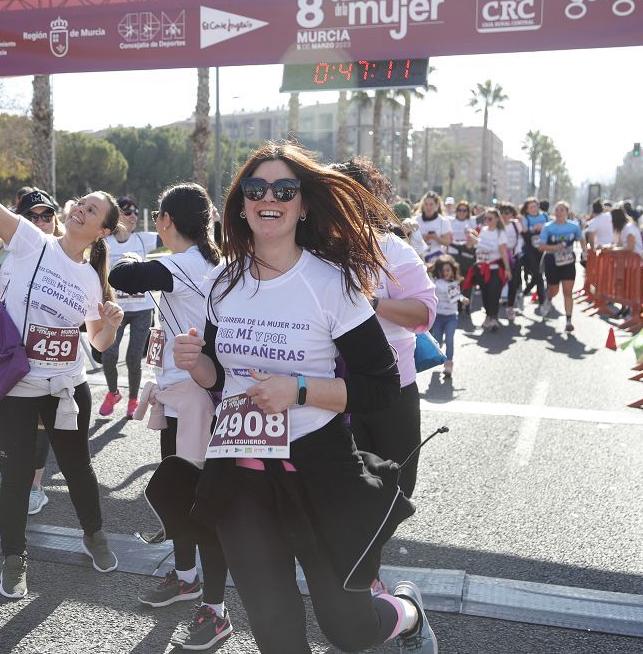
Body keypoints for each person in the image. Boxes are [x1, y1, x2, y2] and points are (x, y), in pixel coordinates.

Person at [167, 143, 436, 654]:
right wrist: (196, 363)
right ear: (241, 204)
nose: (269, 198)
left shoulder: (333, 283)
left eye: (284, 189)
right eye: (256, 189)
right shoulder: (220, 283)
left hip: (319, 474)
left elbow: (379, 386)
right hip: (240, 477)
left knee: (350, 631)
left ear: (302, 205)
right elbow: (219, 378)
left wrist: (300, 389)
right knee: (276, 635)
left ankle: (407, 611)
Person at [0, 118, 124, 598]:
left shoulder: (91, 280)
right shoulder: (28, 240)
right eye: (81, 204)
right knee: (17, 475)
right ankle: (13, 558)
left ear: (103, 230)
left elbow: (99, 346)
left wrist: (109, 324)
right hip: (15, 385)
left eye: (93, 211)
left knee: (79, 467)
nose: (82, 211)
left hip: (66, 388)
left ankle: (95, 536)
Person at [108, 183, 232, 650]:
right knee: (182, 497)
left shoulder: (184, 264)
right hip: (185, 394)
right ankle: (186, 579)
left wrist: (122, 254)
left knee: (197, 503)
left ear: (164, 221)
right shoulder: (212, 261)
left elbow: (125, 277)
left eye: (159, 218)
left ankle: (216, 611)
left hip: (195, 398)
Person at [331, 157, 436, 501]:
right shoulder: (308, 253)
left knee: (394, 494)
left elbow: (423, 313)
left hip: (392, 391)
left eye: (341, 196)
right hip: (329, 394)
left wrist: (372, 303)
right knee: (341, 498)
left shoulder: (392, 249)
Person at [0, 189, 64, 516]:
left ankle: (35, 486)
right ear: (21, 218)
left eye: (47, 215)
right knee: (14, 422)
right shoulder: (3, 253)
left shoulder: (67, 251)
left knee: (42, 424)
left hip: (53, 359)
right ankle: (17, 478)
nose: (41, 222)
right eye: (33, 216)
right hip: (12, 357)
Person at [99, 196, 161, 419]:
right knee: (109, 355)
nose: (133, 215)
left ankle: (133, 399)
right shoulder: (105, 242)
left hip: (142, 310)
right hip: (116, 310)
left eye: (136, 211)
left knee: (135, 357)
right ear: (117, 217)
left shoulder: (144, 239)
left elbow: (177, 237)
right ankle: (113, 393)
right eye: (127, 212)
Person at [538, 201, 588, 332]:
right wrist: (555, 247)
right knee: (554, 289)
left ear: (567, 212)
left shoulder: (574, 226)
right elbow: (541, 246)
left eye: (562, 210)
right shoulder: (548, 227)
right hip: (552, 260)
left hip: (568, 261)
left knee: (567, 291)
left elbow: (581, 239)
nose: (559, 212)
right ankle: (548, 298)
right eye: (557, 210)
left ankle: (569, 321)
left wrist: (584, 252)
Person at [429, 255, 467, 377]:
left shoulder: (454, 284)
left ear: (452, 270)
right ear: (438, 271)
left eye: (448, 270)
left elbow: (456, 297)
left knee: (449, 340)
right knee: (438, 342)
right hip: (438, 317)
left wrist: (463, 298)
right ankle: (437, 360)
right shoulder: (435, 283)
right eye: (442, 270)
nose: (445, 273)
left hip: (451, 317)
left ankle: (449, 365)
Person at [520, 197, 548, 307]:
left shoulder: (545, 216)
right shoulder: (525, 219)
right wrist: (533, 229)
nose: (533, 209)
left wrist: (544, 227)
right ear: (527, 209)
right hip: (530, 250)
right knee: (538, 275)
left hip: (543, 249)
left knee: (539, 275)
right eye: (530, 207)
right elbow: (525, 235)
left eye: (535, 206)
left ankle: (524, 293)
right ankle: (542, 303)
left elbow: (553, 228)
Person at [499, 202, 524, 322]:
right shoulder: (496, 225)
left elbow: (523, 234)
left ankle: (510, 307)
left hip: (514, 258)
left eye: (507, 213)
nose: (504, 215)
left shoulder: (515, 225)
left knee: (513, 283)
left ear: (512, 214)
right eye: (501, 212)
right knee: (497, 282)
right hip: (499, 258)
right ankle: (492, 312)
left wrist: (515, 251)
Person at [414, 191, 452, 262]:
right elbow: (411, 241)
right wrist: (423, 240)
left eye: (431, 204)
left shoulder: (443, 221)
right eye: (426, 204)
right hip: (420, 254)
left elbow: (447, 242)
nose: (428, 207)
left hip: (437, 255)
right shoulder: (416, 220)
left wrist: (435, 237)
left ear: (437, 206)